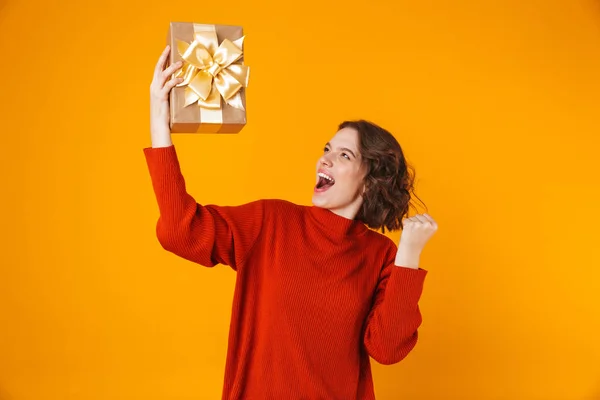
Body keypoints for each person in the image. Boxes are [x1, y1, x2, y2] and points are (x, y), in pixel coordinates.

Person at [144, 45, 439, 400]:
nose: (325, 160)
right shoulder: (271, 223)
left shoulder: (381, 255)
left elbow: (388, 350)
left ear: (369, 180)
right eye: (327, 149)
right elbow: (181, 232)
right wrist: (160, 123)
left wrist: (409, 255)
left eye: (344, 155)